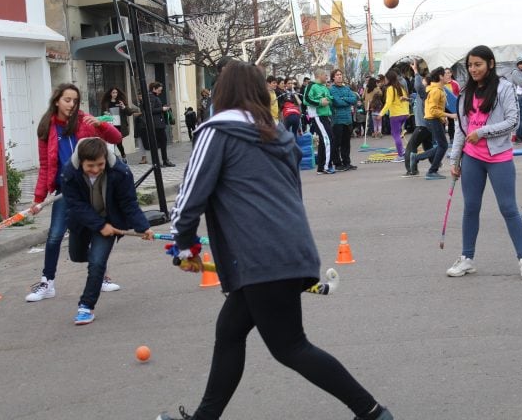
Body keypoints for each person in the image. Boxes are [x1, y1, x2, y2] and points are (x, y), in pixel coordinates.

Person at [158, 60, 392, 420]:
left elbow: (190, 197)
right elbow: (292, 196)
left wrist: (183, 246)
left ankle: (372, 412)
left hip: (260, 257)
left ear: (222, 92)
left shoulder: (215, 132)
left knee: (291, 347)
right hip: (287, 249)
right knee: (230, 331)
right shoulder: (279, 134)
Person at [445, 45, 522, 280]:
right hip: (472, 158)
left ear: (490, 64)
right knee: (471, 208)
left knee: (508, 208)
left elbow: (513, 122)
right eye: (470, 65)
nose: (473, 69)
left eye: (478, 64)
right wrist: (455, 159)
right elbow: (461, 128)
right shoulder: (465, 93)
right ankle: (467, 258)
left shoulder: (504, 88)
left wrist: (483, 132)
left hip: (499, 157)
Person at [25, 83, 123, 302]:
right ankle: (47, 282)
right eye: (67, 100)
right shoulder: (47, 127)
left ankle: (101, 277)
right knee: (54, 236)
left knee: (94, 234)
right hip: (64, 190)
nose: (71, 104)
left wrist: (101, 124)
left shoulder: (85, 121)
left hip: (89, 188)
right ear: (57, 100)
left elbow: (116, 138)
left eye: (75, 101)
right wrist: (38, 199)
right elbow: (45, 165)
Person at [61, 137, 153, 325]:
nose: (95, 170)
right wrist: (99, 225)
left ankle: (86, 307)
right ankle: (99, 269)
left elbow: (128, 202)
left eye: (100, 164)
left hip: (110, 220)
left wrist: (143, 227)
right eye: (90, 166)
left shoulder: (120, 172)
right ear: (81, 161)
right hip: (81, 221)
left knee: (96, 262)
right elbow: (75, 205)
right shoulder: (69, 172)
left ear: (105, 158)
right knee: (77, 255)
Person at [403, 62, 434, 177]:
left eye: (424, 80)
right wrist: (407, 99)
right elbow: (417, 103)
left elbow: (418, 86)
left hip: (423, 125)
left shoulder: (425, 92)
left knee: (411, 147)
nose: (421, 81)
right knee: (428, 146)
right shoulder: (424, 94)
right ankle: (435, 164)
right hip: (426, 124)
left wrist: (415, 71)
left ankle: (412, 169)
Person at [304, 68, 335, 175]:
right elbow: (306, 99)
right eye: (325, 75)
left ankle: (321, 167)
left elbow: (330, 98)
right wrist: (320, 102)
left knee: (325, 140)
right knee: (327, 140)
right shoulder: (311, 85)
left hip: (325, 116)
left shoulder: (324, 87)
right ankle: (327, 166)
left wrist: (328, 100)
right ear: (319, 75)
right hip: (317, 116)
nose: (327, 77)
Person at [376, 69, 410, 160]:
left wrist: (381, 114)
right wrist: (407, 112)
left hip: (395, 115)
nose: (385, 80)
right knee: (398, 133)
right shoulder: (401, 86)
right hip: (404, 113)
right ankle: (403, 151)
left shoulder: (390, 89)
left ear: (389, 79)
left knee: (396, 135)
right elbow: (406, 100)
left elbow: (388, 103)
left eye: (386, 78)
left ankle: (400, 154)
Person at [329, 69, 358, 171]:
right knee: (337, 143)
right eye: (337, 75)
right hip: (337, 120)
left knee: (346, 143)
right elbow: (337, 102)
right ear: (333, 77)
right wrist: (346, 100)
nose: (339, 76)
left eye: (340, 74)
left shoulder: (346, 88)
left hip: (348, 119)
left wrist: (343, 98)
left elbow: (354, 99)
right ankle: (337, 163)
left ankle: (347, 162)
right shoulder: (332, 89)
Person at [100, 87, 138, 162]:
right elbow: (102, 114)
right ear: (110, 93)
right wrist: (105, 113)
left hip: (120, 126)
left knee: (118, 142)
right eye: (113, 92)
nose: (115, 94)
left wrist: (124, 107)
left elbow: (129, 113)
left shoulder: (121, 102)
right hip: (110, 125)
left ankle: (123, 155)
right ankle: (112, 158)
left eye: (116, 93)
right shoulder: (106, 103)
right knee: (111, 143)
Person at [149, 82, 175, 167]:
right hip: (157, 124)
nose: (160, 92)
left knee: (162, 142)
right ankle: (161, 161)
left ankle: (163, 160)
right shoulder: (151, 97)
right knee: (160, 142)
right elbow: (151, 110)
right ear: (154, 89)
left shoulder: (154, 96)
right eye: (159, 90)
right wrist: (162, 108)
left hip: (158, 123)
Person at [506, 57, 522, 142]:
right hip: (519, 97)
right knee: (521, 117)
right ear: (517, 64)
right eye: (520, 64)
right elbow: (520, 83)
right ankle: (519, 136)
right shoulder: (515, 72)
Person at [443, 67, 461, 140]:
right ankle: (442, 139)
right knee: (442, 122)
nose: (447, 74)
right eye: (445, 73)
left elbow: (459, 95)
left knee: (451, 122)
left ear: (451, 73)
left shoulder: (455, 83)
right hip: (443, 106)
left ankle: (452, 138)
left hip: (452, 106)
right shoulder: (441, 83)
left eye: (448, 73)